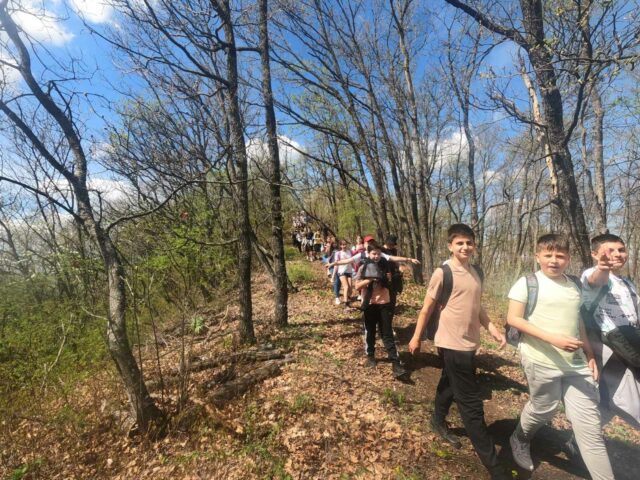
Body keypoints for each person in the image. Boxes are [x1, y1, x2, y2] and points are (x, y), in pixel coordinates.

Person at [506, 233, 613, 479]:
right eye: (548, 255)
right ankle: (520, 438)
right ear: (537, 256)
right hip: (540, 359)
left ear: (568, 259)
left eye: (560, 255)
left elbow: (579, 321)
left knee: (590, 428)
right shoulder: (527, 283)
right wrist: (552, 338)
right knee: (544, 408)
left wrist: (589, 353)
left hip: (576, 364)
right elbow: (513, 318)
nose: (554, 260)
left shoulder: (574, 284)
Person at [409, 223, 509, 480]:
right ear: (450, 246)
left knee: (450, 381)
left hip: (470, 341)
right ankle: (495, 468)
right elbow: (426, 308)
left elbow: (477, 306)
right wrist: (417, 337)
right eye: (460, 243)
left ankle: (437, 420)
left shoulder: (477, 272)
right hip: (450, 341)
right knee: (471, 403)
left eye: (469, 243)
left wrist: (492, 329)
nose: (465, 247)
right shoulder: (443, 273)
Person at [571, 234, 640, 448]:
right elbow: (595, 281)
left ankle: (577, 442)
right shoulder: (592, 274)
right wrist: (603, 267)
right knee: (622, 399)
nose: (618, 254)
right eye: (611, 250)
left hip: (630, 347)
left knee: (609, 402)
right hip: (609, 350)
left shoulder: (627, 283)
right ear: (595, 254)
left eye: (621, 250)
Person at [354, 242, 407, 379]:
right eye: (373, 254)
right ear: (368, 254)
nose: (376, 256)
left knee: (387, 333)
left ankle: (396, 363)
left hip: (385, 303)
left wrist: (391, 278)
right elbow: (357, 286)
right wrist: (371, 279)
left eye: (378, 254)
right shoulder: (363, 267)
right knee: (370, 331)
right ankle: (371, 356)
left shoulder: (386, 266)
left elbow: (391, 282)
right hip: (370, 304)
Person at [332, 239, 354, 306]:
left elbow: (352, 261)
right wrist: (333, 276)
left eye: (345, 244)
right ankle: (346, 303)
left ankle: (347, 297)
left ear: (347, 245)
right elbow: (336, 264)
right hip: (341, 272)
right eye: (342, 245)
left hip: (349, 271)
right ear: (340, 246)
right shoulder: (338, 253)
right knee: (346, 287)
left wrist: (355, 270)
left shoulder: (350, 252)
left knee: (350, 289)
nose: (343, 246)